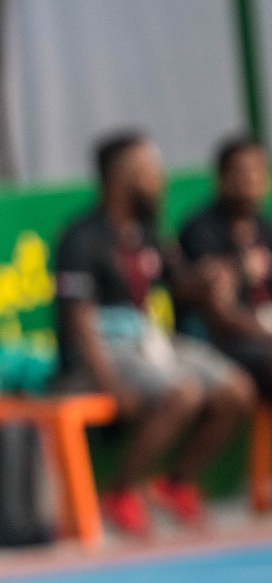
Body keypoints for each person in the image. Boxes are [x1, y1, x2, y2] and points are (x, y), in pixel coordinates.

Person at [52, 131, 255, 534]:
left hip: (149, 341)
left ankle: (175, 484)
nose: (160, 178)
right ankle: (120, 491)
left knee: (237, 390)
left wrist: (212, 277)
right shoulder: (81, 237)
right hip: (103, 351)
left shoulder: (147, 232)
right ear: (122, 177)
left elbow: (179, 282)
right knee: (182, 392)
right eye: (150, 170)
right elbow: (77, 319)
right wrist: (108, 381)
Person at [178, 136, 272, 399]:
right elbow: (221, 315)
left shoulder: (266, 229)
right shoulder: (200, 231)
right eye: (242, 171)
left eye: (259, 170)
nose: (252, 179)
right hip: (219, 343)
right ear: (222, 177)